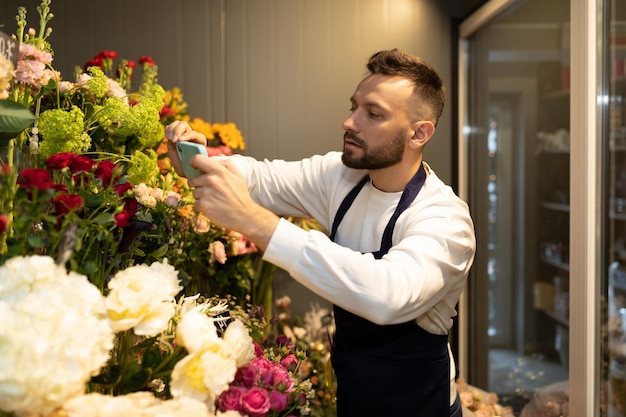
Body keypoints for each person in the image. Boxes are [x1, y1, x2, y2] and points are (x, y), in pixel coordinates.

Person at [165, 49, 476, 417]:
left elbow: (387, 295)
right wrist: (193, 158)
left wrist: (256, 223)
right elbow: (258, 178)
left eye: (373, 114)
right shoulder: (341, 176)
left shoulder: (445, 218)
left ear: (419, 133)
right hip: (355, 401)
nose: (350, 122)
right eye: (354, 107)